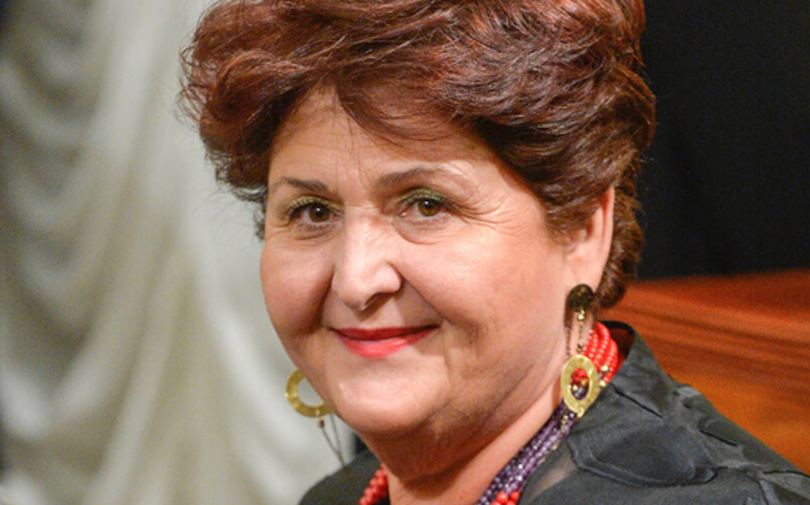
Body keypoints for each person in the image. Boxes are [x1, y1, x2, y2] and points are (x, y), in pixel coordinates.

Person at [180, 0, 810, 504]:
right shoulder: (339, 496)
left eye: (427, 204)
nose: (356, 279)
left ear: (583, 229)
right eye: (312, 212)